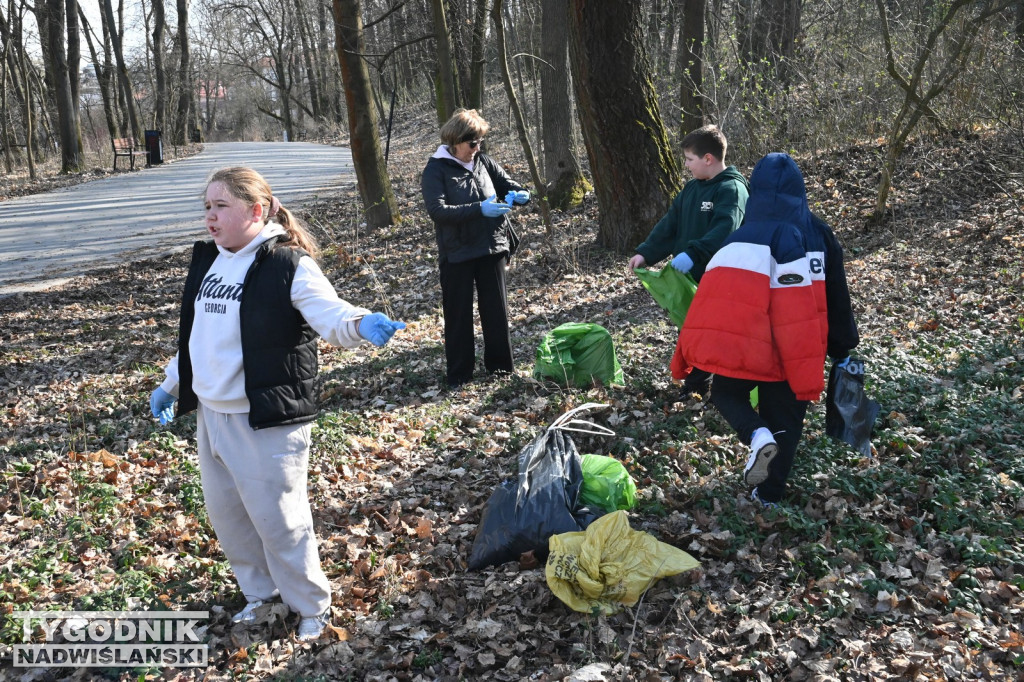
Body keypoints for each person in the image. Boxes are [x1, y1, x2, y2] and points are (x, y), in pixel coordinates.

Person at [147, 167, 405, 641]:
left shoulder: (287, 264)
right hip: (212, 416)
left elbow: (330, 313)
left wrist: (362, 322)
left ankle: (311, 607)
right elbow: (196, 339)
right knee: (231, 519)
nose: (210, 217)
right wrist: (171, 383)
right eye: (206, 207)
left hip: (265, 421)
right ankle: (261, 597)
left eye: (220, 206)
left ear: (256, 210)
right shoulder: (211, 262)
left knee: (281, 522)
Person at [670, 153, 859, 507]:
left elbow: (719, 301)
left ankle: (756, 435)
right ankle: (769, 495)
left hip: (750, 345)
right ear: (798, 190)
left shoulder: (740, 238)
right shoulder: (820, 234)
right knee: (786, 416)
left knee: (727, 394)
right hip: (800, 347)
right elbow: (837, 294)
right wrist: (842, 347)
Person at [627, 125, 749, 395]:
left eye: (689, 160)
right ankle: (695, 386)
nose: (686, 166)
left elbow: (725, 230)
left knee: (713, 333)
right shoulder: (692, 189)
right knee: (694, 330)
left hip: (720, 279)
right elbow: (670, 224)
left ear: (708, 159)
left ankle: (707, 388)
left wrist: (694, 253)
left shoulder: (732, 189)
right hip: (690, 280)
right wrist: (645, 252)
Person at [420, 108, 530, 388]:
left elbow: (507, 184)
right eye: (473, 143)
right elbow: (438, 211)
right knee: (458, 316)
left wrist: (519, 194)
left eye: (480, 142)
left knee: (496, 312)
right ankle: (459, 374)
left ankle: (501, 369)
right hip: (457, 253)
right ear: (455, 142)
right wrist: (480, 209)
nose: (477, 147)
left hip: (492, 247)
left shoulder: (484, 162)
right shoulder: (436, 169)